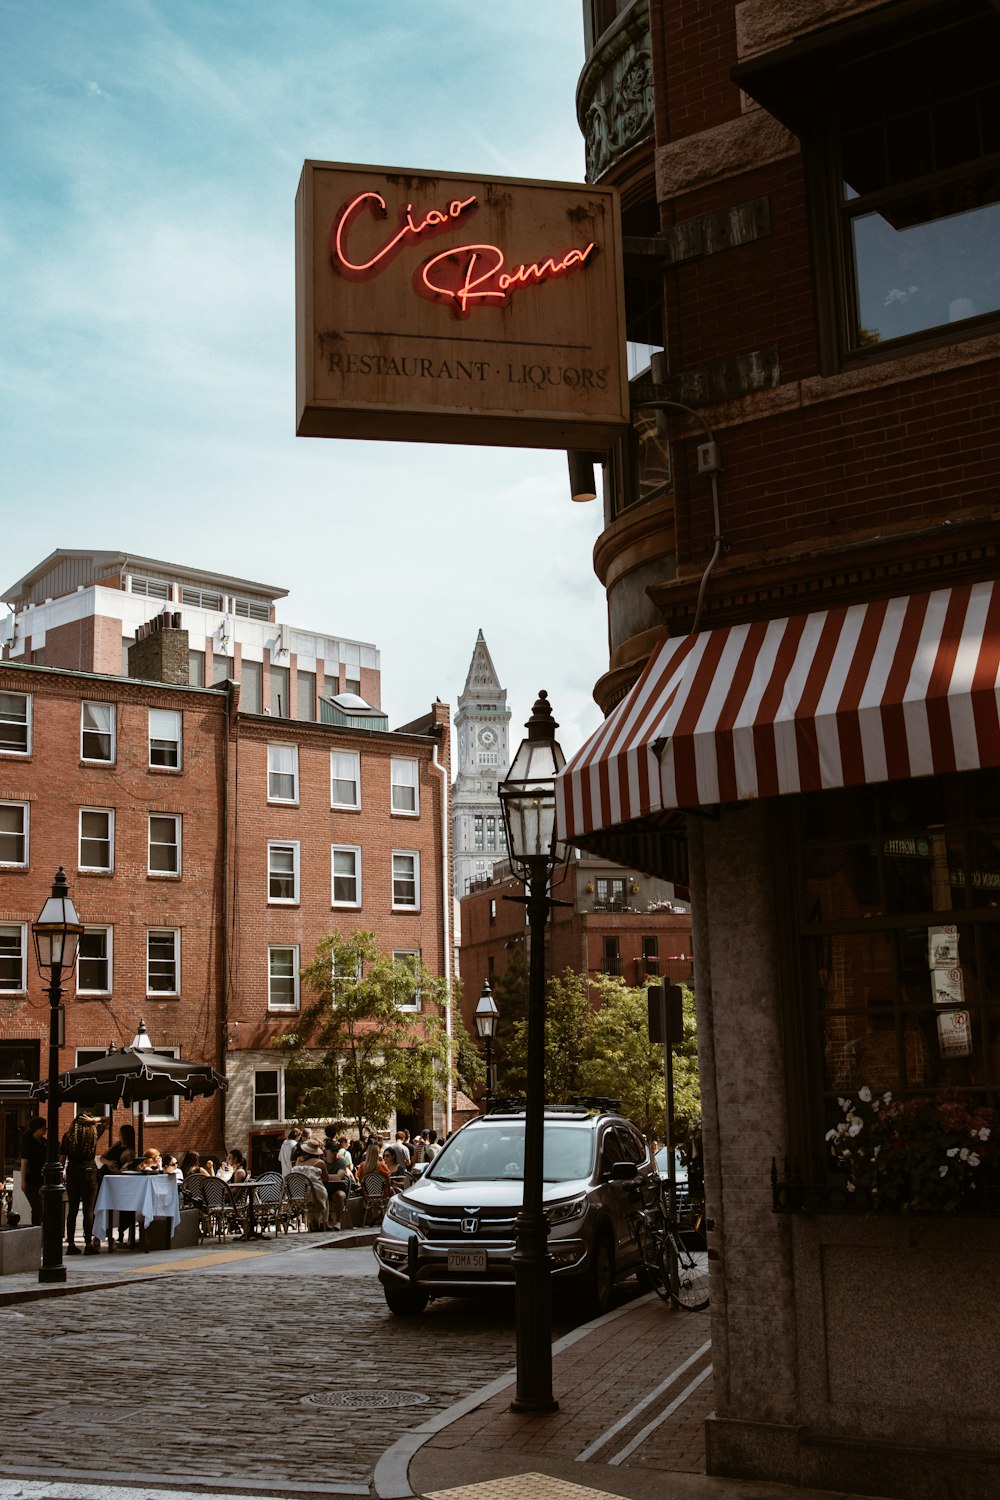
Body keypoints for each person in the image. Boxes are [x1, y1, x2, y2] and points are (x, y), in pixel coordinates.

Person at [60, 1109, 107, 1255]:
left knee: (72, 1209)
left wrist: (61, 1174)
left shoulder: (68, 1137)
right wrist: (94, 1121)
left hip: (73, 1171)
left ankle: (71, 1244)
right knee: (88, 1209)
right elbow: (108, 1120)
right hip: (89, 1171)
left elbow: (62, 1159)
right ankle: (88, 1244)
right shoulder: (93, 1134)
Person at [101, 1123, 137, 1250]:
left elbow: (125, 1169)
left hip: (114, 1179)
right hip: (103, 1175)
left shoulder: (129, 1152)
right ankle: (99, 1234)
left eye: (121, 1133)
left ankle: (118, 1233)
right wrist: (109, 1162)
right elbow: (102, 1158)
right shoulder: (116, 1145)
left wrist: (114, 1169)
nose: (119, 1135)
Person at [294, 1139, 332, 1230]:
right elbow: (326, 1178)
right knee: (323, 1196)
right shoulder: (320, 1163)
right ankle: (323, 1222)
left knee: (310, 1198)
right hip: (315, 1192)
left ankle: (312, 1222)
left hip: (299, 1193)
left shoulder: (298, 1160)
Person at [18, 1116, 47, 1227]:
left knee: (43, 1208)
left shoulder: (45, 1143)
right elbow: (24, 1163)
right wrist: (23, 1181)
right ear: (38, 1129)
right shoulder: (28, 1143)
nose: (45, 1130)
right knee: (36, 1207)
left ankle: (42, 1230)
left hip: (43, 1179)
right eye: (44, 1128)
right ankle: (35, 1229)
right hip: (32, 1179)